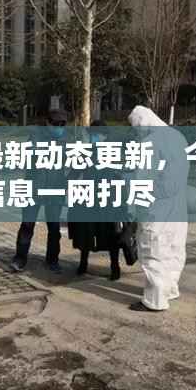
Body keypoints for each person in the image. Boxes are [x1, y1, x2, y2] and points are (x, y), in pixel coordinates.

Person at [127, 105, 189, 312]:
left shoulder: (150, 142)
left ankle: (155, 300)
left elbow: (143, 178)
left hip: (157, 203)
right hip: (178, 203)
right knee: (174, 247)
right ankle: (171, 289)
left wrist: (134, 208)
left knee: (153, 248)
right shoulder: (177, 136)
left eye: (135, 128)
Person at [68, 119, 137, 280]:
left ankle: (114, 266)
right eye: (93, 134)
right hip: (88, 197)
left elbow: (122, 175)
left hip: (109, 197)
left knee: (111, 233)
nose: (95, 138)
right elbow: (74, 173)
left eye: (98, 135)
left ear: (105, 136)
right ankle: (83, 263)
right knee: (86, 232)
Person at [10, 108, 67, 273]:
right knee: (27, 225)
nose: (59, 127)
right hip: (34, 188)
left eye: (62, 124)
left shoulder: (66, 139)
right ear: (47, 123)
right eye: (56, 124)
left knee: (54, 228)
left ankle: (52, 260)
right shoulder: (35, 136)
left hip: (55, 190)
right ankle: (20, 258)